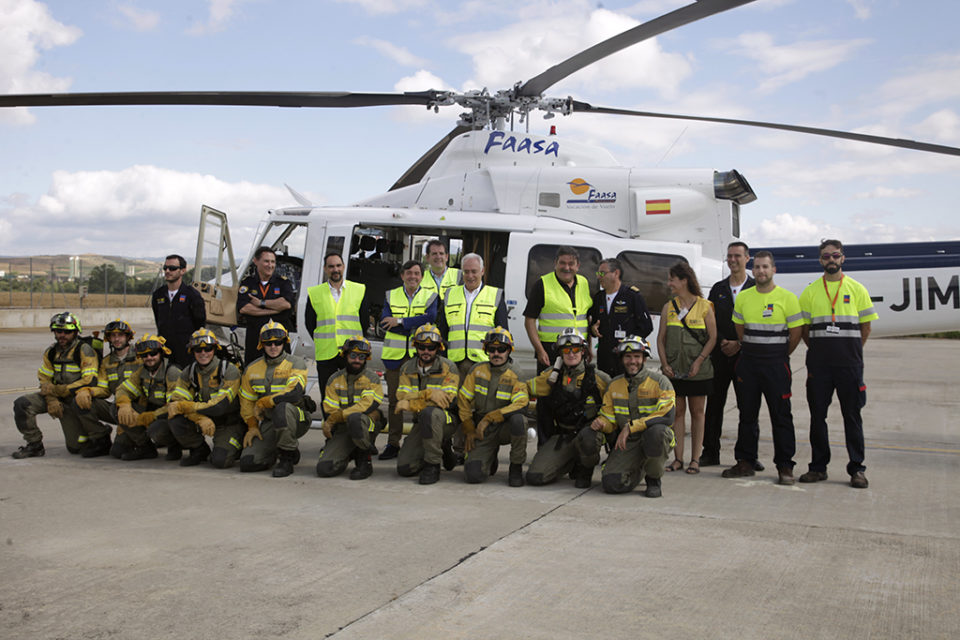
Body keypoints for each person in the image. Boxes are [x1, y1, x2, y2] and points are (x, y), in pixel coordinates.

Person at [798, 239, 878, 489]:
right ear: (820, 260)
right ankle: (818, 467)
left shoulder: (857, 289)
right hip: (819, 367)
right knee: (817, 417)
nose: (830, 260)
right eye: (825, 256)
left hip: (849, 367)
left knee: (852, 417)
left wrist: (850, 351)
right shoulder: (810, 291)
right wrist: (822, 351)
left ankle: (857, 468)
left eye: (835, 255)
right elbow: (804, 330)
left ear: (842, 258)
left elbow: (866, 326)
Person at [721, 252, 803, 484]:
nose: (760, 271)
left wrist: (780, 354)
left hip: (776, 366)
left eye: (765, 267)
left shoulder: (787, 298)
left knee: (781, 416)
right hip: (749, 364)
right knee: (747, 416)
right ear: (752, 270)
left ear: (773, 270)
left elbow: (796, 333)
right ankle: (745, 461)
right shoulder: (745, 298)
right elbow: (740, 329)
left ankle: (785, 466)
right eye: (757, 267)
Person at [523, 246, 593, 444]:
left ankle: (571, 447)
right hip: (550, 353)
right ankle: (544, 446)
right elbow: (529, 321)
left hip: (577, 353)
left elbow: (585, 317)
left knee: (576, 398)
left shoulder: (585, 284)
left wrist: (589, 346)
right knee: (546, 401)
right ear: (555, 264)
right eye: (562, 263)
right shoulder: (542, 284)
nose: (566, 267)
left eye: (571, 263)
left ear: (578, 266)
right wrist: (539, 350)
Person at [591, 336, 676, 497]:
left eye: (637, 357)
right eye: (628, 357)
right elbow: (609, 418)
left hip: (653, 438)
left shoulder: (660, 382)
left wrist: (631, 427)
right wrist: (601, 423)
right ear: (622, 359)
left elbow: (667, 416)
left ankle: (653, 479)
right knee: (611, 484)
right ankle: (642, 468)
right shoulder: (614, 384)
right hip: (628, 443)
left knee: (656, 433)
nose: (632, 361)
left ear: (644, 358)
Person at [525, 329, 611, 488]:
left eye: (576, 349)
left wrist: (604, 422)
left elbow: (616, 404)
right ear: (560, 353)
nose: (571, 354)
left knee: (589, 437)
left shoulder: (600, 379)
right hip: (564, 436)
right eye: (566, 350)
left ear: (583, 351)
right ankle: (569, 461)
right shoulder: (551, 377)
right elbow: (524, 389)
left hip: (589, 435)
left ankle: (585, 470)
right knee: (535, 476)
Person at [657, 261, 717, 475]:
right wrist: (664, 364)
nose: (669, 283)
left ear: (684, 280)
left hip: (698, 370)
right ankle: (678, 459)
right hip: (675, 370)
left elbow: (713, 338)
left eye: (672, 279)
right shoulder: (668, 307)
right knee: (678, 413)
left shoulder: (705, 306)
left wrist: (699, 360)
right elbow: (661, 339)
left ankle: (695, 459)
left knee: (698, 413)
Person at [12, 312, 98, 458]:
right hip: (55, 397)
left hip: (74, 400)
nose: (62, 335)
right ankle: (35, 445)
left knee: (75, 447)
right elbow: (44, 378)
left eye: (67, 331)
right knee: (22, 404)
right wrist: (51, 398)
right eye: (59, 331)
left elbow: (89, 380)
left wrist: (61, 390)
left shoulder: (83, 350)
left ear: (75, 332)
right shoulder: (51, 352)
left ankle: (96, 433)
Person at [377, 259, 438, 461]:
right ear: (402, 275)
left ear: (422, 276)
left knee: (419, 400)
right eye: (409, 273)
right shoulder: (390, 295)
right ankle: (393, 443)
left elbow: (431, 318)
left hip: (419, 356)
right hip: (394, 358)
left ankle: (418, 442)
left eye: (417, 273)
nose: (413, 276)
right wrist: (412, 324)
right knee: (396, 401)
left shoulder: (431, 296)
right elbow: (386, 323)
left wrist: (401, 321)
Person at [702, 242, 756, 468]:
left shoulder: (756, 287)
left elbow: (758, 322)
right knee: (714, 406)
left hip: (746, 358)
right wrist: (724, 341)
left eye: (737, 256)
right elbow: (710, 320)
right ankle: (710, 452)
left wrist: (739, 343)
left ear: (747, 258)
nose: (732, 260)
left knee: (748, 407)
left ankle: (747, 456)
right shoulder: (718, 288)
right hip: (720, 356)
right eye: (729, 256)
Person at [238, 321, 313, 478]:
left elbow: (294, 393)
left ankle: (286, 457)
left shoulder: (296, 363)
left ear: (284, 343)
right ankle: (281, 449)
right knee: (248, 463)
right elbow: (246, 401)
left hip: (295, 416)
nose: (273, 347)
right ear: (261, 345)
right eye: (269, 343)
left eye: (278, 342)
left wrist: (265, 402)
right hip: (270, 421)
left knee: (282, 407)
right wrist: (252, 426)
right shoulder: (251, 369)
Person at [459, 327, 529, 487]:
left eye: (501, 349)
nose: (496, 353)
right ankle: (490, 458)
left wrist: (491, 417)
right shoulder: (477, 370)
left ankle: (516, 468)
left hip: (504, 426)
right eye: (492, 349)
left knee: (519, 421)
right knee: (473, 475)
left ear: (509, 350)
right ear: (486, 350)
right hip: (482, 431)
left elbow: (521, 404)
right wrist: (468, 426)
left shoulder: (516, 373)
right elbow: (463, 399)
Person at [393, 324, 460, 485]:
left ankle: (433, 465)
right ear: (415, 346)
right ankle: (442, 446)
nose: (426, 351)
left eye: (431, 347)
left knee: (431, 413)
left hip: (446, 419)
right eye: (422, 347)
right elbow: (402, 396)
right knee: (405, 468)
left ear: (438, 348)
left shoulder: (448, 367)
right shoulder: (407, 368)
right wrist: (428, 394)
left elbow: (446, 400)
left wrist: (411, 404)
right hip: (422, 421)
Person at [167, 328, 243, 468]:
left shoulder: (229, 370)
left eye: (208, 349)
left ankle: (236, 444)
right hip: (206, 416)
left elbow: (220, 406)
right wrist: (198, 418)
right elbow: (176, 402)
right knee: (175, 419)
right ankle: (198, 449)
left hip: (228, 422)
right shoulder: (188, 373)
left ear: (214, 349)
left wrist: (190, 407)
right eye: (198, 350)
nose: (203, 353)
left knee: (220, 461)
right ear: (192, 351)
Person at [305, 252, 369, 405]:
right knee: (328, 398)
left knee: (354, 397)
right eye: (331, 266)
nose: (335, 269)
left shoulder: (359, 290)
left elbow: (364, 322)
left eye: (338, 265)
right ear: (325, 269)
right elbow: (310, 324)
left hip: (353, 352)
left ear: (344, 267)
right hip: (326, 353)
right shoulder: (314, 293)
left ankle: (349, 428)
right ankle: (330, 428)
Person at [316, 336, 384, 480]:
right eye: (353, 355)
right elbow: (330, 409)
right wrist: (334, 420)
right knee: (325, 469)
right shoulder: (334, 379)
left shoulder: (372, 379)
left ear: (366, 358)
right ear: (345, 356)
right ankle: (349, 452)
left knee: (355, 418)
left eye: (361, 356)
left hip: (365, 425)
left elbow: (366, 405)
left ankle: (364, 459)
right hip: (343, 429)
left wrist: (338, 416)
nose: (357, 360)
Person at [73, 319, 139, 459]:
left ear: (128, 337)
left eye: (120, 335)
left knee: (119, 452)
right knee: (81, 401)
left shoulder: (141, 357)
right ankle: (101, 437)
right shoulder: (106, 362)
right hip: (118, 409)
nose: (116, 339)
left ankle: (142, 439)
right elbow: (104, 390)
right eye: (112, 336)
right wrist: (87, 391)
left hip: (139, 409)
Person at [113, 334, 183, 461]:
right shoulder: (142, 371)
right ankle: (145, 447)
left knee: (156, 429)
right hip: (152, 412)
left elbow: (175, 405)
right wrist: (124, 404)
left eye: (153, 353)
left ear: (161, 353)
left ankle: (174, 444)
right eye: (145, 355)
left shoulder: (171, 372)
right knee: (116, 408)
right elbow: (123, 389)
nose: (149, 358)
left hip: (171, 415)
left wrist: (152, 416)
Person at [439, 252, 508, 379]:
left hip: (484, 362)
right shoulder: (449, 295)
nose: (470, 276)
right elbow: (441, 330)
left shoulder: (495, 295)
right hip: (454, 363)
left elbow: (503, 332)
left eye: (474, 271)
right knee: (455, 398)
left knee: (481, 399)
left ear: (482, 271)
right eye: (466, 272)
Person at [589, 257, 653, 377]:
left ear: (616, 273)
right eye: (598, 273)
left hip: (626, 358)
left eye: (602, 273)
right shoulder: (598, 298)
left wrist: (629, 341)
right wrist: (593, 329)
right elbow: (592, 325)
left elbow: (646, 326)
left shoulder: (632, 296)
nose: (599, 277)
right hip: (604, 357)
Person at [236, 246, 296, 365]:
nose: (270, 265)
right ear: (256, 261)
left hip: (279, 341)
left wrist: (261, 303)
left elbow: (286, 304)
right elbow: (244, 308)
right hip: (255, 340)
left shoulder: (283, 282)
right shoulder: (247, 283)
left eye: (273, 262)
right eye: (266, 261)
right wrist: (274, 310)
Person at [151, 254, 206, 368]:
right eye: (165, 268)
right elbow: (158, 320)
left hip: (186, 353)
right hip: (165, 351)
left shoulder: (192, 295)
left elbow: (200, 323)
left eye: (172, 268)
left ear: (183, 271)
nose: (167, 271)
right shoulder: (158, 295)